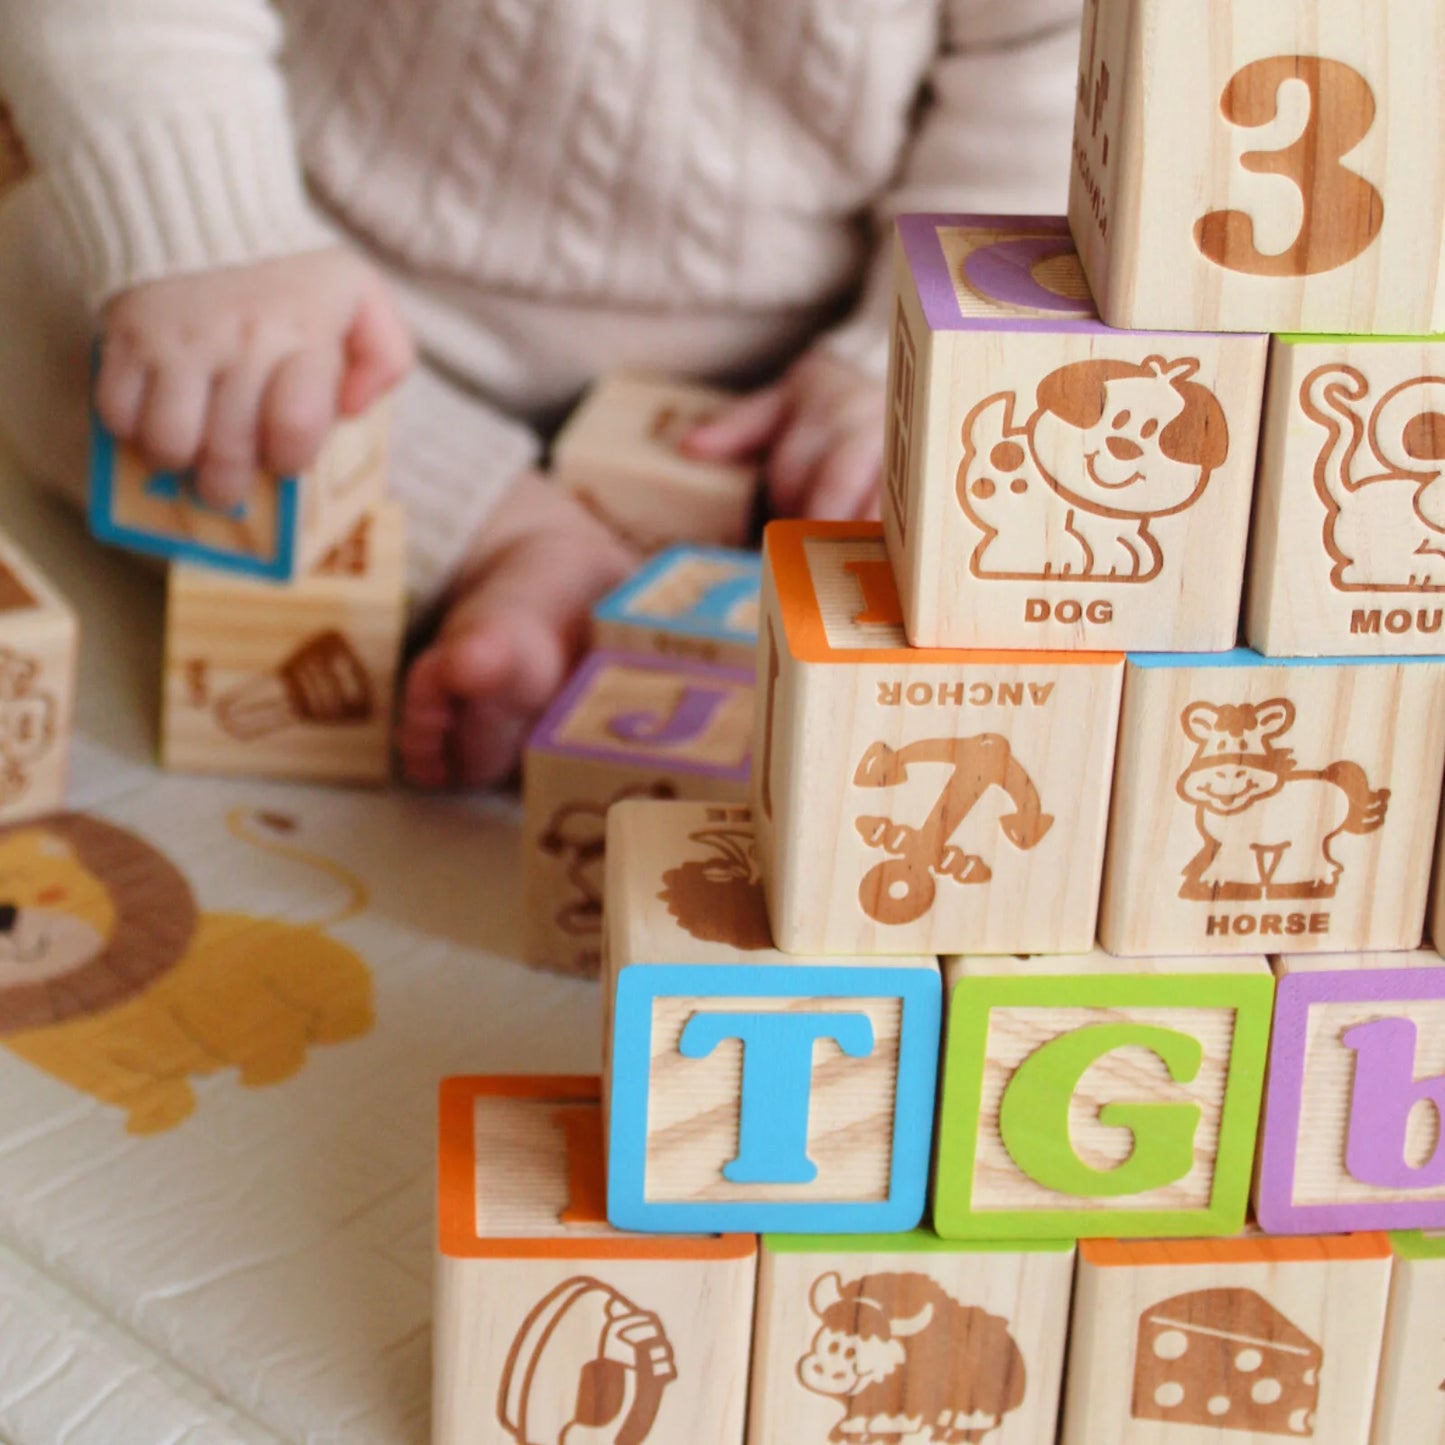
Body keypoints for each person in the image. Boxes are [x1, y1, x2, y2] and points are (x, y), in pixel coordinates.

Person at [0, 0, 1080, 787]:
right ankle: (505, 540)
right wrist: (217, 235)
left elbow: (1054, 66)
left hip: (780, 385)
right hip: (342, 302)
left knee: (1036, 438)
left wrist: (893, 349)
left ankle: (714, 619)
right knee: (56, 277)